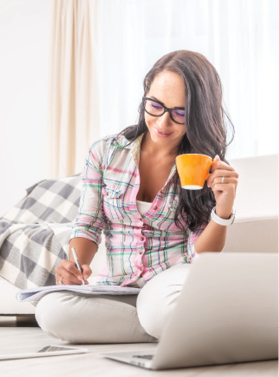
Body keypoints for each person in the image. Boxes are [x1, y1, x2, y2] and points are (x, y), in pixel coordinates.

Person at [35, 50, 239, 343]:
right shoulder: (105, 152)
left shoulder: (204, 165)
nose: (163, 123)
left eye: (180, 113)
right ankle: (170, 327)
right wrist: (76, 265)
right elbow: (88, 223)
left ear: (198, 114)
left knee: (162, 307)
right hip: (119, 285)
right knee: (51, 311)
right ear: (146, 92)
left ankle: (167, 321)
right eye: (155, 105)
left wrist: (224, 208)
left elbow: (201, 253)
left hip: (171, 279)